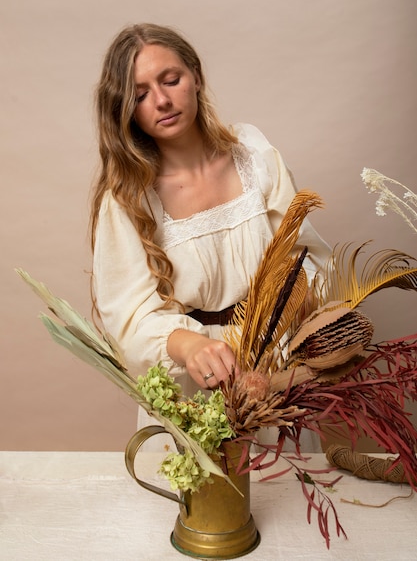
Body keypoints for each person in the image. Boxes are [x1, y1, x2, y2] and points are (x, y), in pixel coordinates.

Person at [90, 23, 331, 448]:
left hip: (273, 372)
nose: (161, 101)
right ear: (125, 109)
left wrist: (303, 301)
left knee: (289, 497)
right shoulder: (129, 197)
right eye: (140, 94)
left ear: (196, 77)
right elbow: (127, 316)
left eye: (171, 80)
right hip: (191, 387)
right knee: (203, 507)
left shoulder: (255, 158)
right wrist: (186, 346)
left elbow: (304, 257)